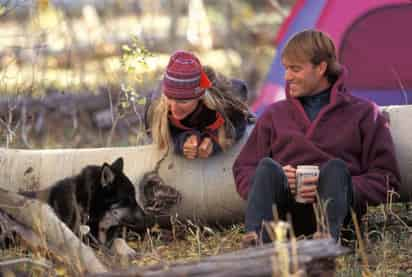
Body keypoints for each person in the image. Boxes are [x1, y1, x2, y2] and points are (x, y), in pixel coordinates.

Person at [232, 30, 401, 244]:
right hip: (283, 224)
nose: (287, 76)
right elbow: (243, 169)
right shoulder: (274, 115)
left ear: (320, 68)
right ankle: (256, 240)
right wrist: (279, 181)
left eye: (295, 69)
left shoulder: (365, 113)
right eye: (286, 69)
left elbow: (387, 178)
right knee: (266, 167)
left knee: (336, 169)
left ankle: (327, 243)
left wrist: (342, 186)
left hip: (340, 219)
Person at [146, 50, 253, 159]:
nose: (174, 109)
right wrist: (183, 141)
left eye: (183, 101)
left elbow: (238, 122)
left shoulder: (224, 100)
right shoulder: (156, 105)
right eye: (170, 98)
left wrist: (214, 142)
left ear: (200, 97)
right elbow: (159, 135)